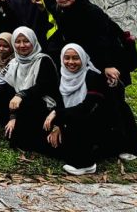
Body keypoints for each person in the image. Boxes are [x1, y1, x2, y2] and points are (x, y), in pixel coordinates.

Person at [52, 0, 137, 160]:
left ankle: (131, 146)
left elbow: (103, 39)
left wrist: (107, 65)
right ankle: (108, 142)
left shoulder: (91, 11)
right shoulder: (65, 14)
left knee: (117, 102)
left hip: (110, 63)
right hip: (92, 63)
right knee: (103, 103)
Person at [43, 43, 106, 175]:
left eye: (75, 58)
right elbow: (60, 104)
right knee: (46, 138)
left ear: (83, 58)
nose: (71, 62)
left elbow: (87, 108)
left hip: (93, 124)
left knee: (79, 121)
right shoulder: (62, 76)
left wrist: (57, 114)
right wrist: (58, 126)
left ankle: (85, 164)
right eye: (67, 58)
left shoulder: (92, 76)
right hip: (69, 121)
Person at [0, 26, 60, 153]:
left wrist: (22, 95)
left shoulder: (43, 60)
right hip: (21, 103)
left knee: (27, 104)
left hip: (42, 103)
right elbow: (8, 86)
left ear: (33, 41)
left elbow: (43, 87)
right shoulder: (15, 62)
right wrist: (12, 116)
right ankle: (12, 123)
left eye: (26, 41)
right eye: (18, 41)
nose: (22, 45)